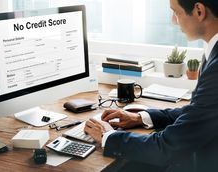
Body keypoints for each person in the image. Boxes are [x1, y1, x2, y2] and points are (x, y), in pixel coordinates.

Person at [84, 0, 218, 171]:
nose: (173, 21)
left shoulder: (216, 68)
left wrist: (108, 136)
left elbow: (166, 148)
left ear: (199, 11)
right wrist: (141, 117)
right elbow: (198, 112)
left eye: (176, 12)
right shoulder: (212, 52)